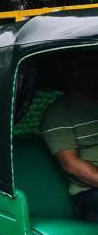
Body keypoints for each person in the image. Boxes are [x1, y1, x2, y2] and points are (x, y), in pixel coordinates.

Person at [41, 51, 98, 222]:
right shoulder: (57, 113)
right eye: (77, 64)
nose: (86, 70)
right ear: (64, 70)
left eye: (91, 63)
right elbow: (70, 164)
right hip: (91, 193)